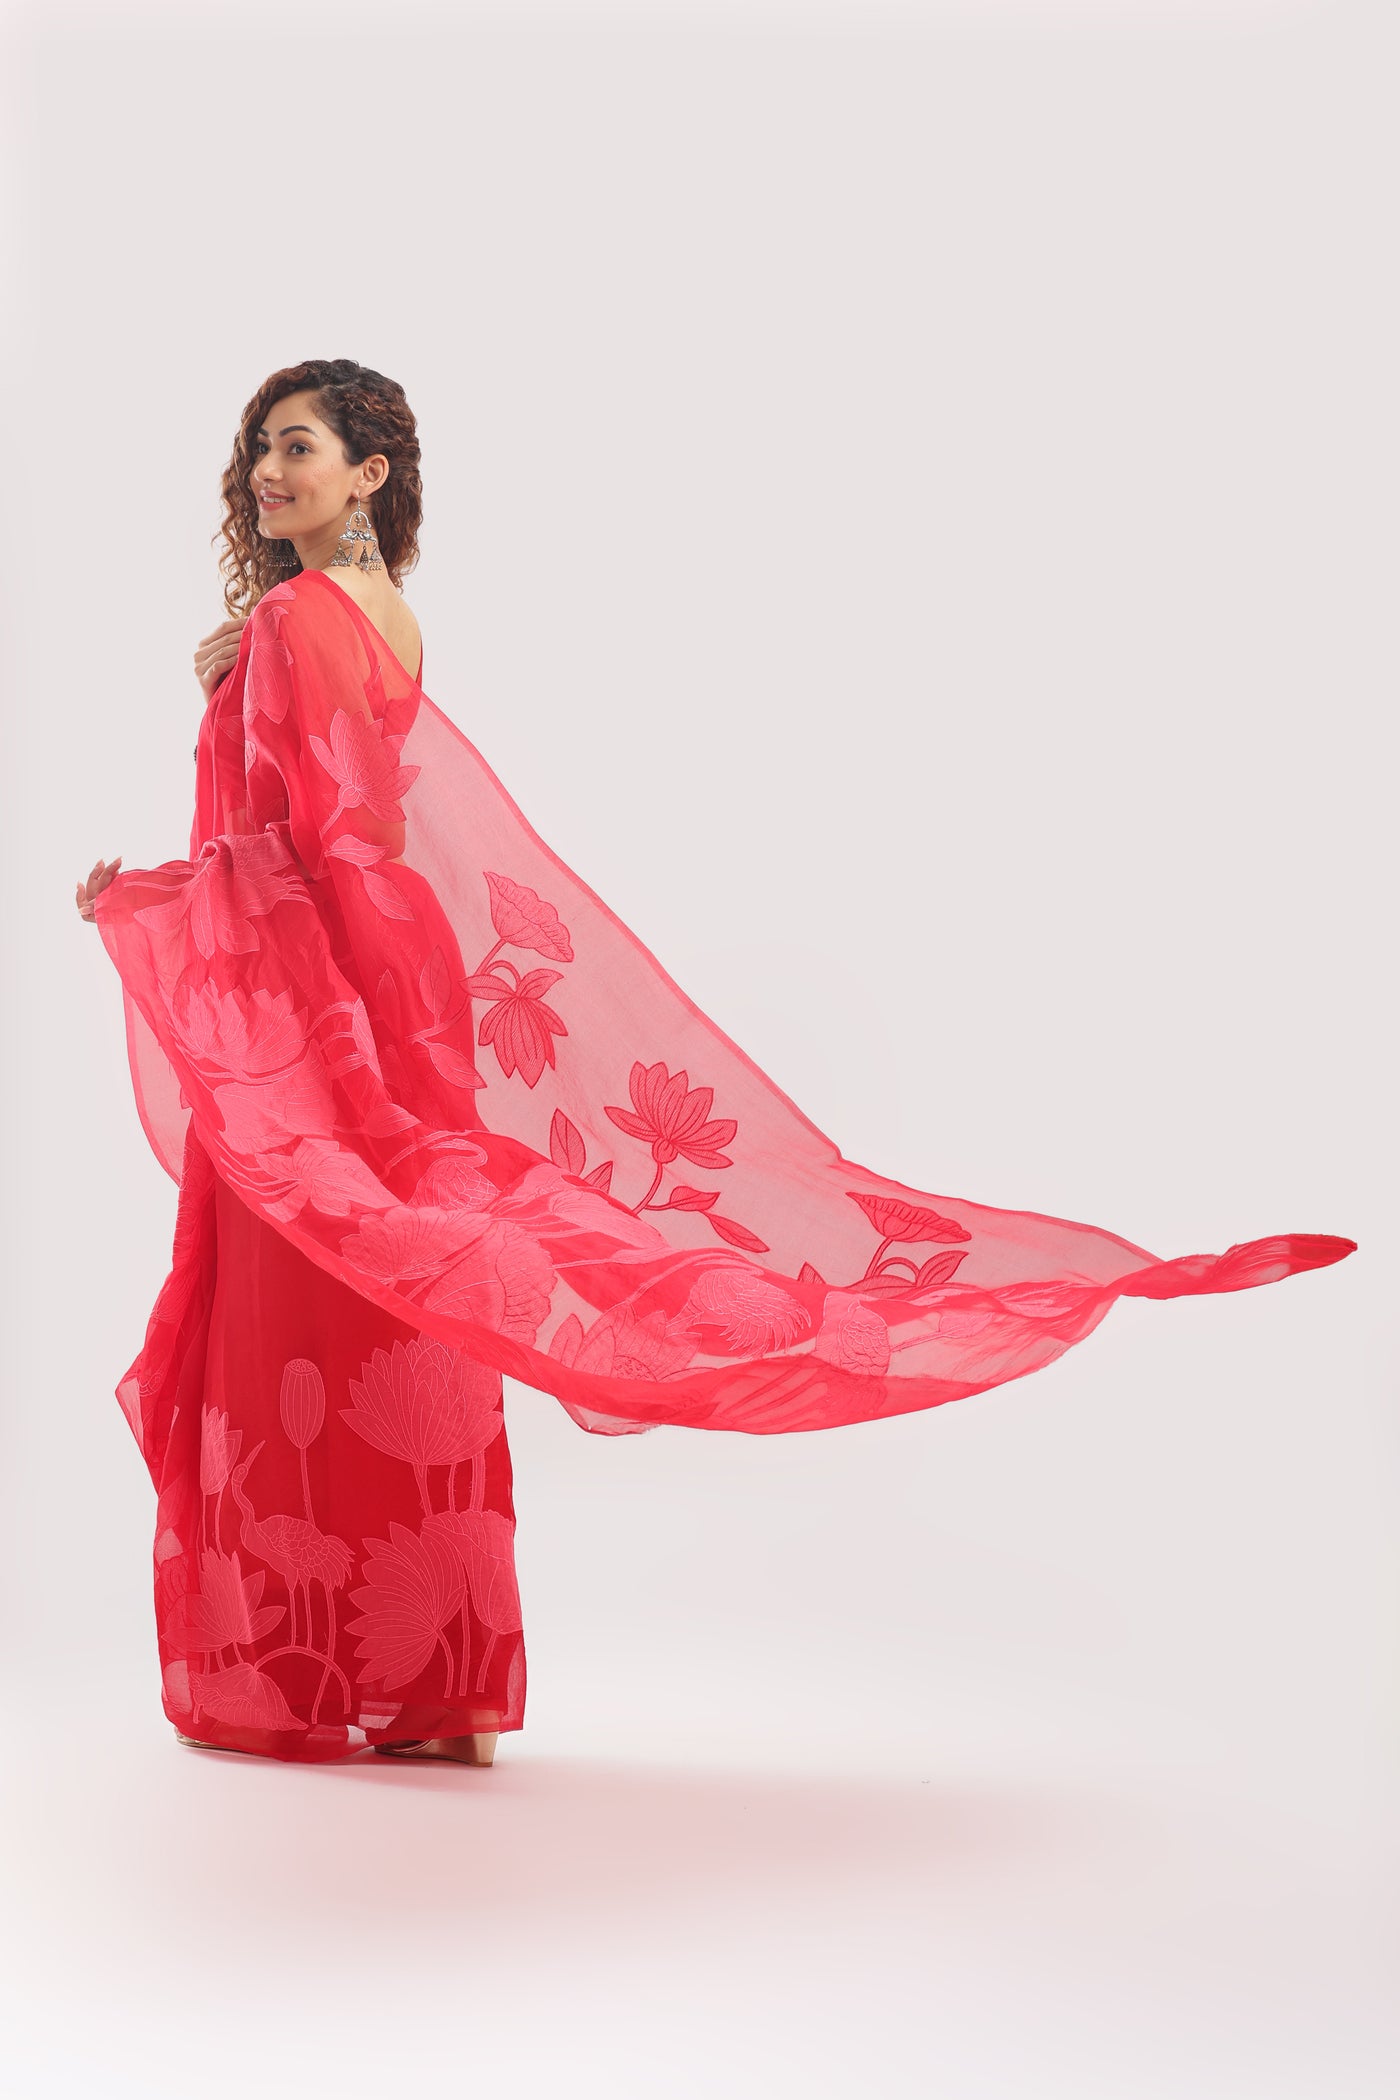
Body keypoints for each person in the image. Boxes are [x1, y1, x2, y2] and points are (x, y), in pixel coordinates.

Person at [77, 358, 1356, 1768]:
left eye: (298, 446)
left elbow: (325, 844)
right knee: (406, 1299)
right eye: (259, 449)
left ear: (369, 472)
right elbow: (360, 833)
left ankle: (309, 1675)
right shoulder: (379, 614)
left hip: (318, 1001)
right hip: (390, 985)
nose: (269, 472)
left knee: (314, 1302)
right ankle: (438, 1684)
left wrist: (160, 908)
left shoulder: (299, 616)